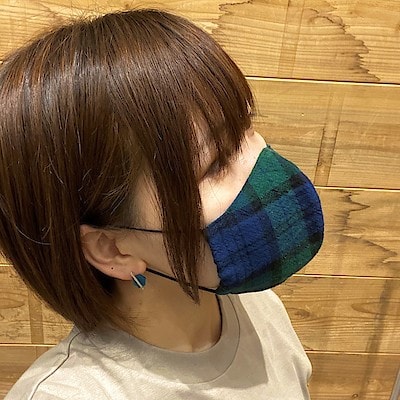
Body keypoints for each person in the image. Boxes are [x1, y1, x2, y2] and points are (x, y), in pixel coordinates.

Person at [0, 8, 324, 400]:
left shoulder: (259, 307)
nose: (260, 161)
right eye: (214, 163)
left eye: (245, 127)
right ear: (112, 248)